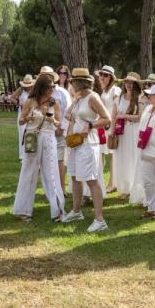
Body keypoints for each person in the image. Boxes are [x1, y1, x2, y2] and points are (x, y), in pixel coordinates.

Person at [60, 69, 112, 232]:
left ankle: (99, 219)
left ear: (79, 82)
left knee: (91, 180)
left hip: (89, 144)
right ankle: (76, 211)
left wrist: (90, 125)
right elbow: (68, 115)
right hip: (75, 142)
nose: (71, 83)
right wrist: (75, 110)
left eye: (73, 81)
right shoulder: (79, 97)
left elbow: (107, 118)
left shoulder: (92, 97)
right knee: (75, 177)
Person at [11, 74, 64, 221]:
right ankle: (23, 210)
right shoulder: (30, 101)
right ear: (42, 87)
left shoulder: (54, 103)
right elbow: (21, 121)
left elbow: (59, 123)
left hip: (48, 139)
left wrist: (52, 120)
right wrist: (28, 118)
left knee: (51, 173)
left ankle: (57, 210)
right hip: (32, 138)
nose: (52, 89)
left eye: (54, 86)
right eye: (50, 86)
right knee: (28, 172)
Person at [137, 83, 155, 219]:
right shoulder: (148, 108)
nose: (149, 97)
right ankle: (152, 208)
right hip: (145, 148)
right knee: (148, 181)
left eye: (152, 95)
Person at [39, 66, 71, 192]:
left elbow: (68, 112)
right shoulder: (40, 93)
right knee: (46, 161)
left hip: (58, 132)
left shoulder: (62, 92)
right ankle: (50, 189)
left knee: (58, 161)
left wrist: (61, 128)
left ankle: (62, 189)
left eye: (47, 75)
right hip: (44, 132)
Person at [112, 72, 143, 201]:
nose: (128, 85)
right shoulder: (118, 98)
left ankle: (133, 188)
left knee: (133, 158)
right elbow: (114, 116)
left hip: (134, 131)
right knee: (122, 158)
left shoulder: (139, 98)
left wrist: (124, 116)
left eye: (131, 82)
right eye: (126, 82)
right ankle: (124, 188)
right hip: (121, 132)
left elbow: (139, 117)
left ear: (135, 84)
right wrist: (112, 132)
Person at [97, 66, 121, 194]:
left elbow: (117, 107)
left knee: (112, 154)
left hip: (111, 126)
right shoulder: (104, 91)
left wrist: (112, 125)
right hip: (104, 125)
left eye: (105, 75)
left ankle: (113, 183)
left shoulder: (115, 90)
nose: (102, 77)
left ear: (111, 77)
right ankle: (107, 182)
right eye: (101, 74)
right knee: (103, 153)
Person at [13, 75, 35, 162]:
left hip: (32, 113)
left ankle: (30, 152)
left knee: (31, 132)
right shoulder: (21, 90)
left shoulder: (34, 91)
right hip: (22, 113)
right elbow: (11, 98)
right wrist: (18, 103)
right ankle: (22, 155)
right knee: (22, 133)